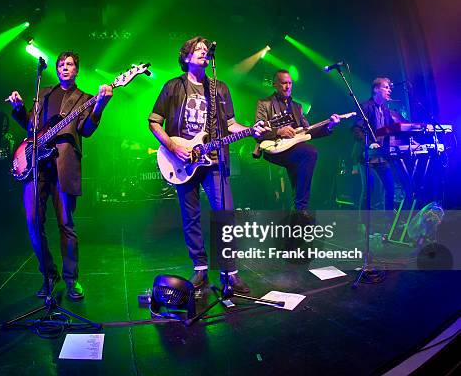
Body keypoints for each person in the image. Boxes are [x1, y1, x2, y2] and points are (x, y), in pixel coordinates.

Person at [148, 36, 269, 293]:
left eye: (206, 49)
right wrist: (173, 146)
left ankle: (230, 272)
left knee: (225, 214)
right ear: (186, 58)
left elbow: (231, 125)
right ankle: (200, 270)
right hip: (182, 160)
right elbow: (154, 122)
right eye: (198, 49)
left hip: (214, 159)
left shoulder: (220, 88)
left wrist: (251, 129)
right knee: (190, 217)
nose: (204, 52)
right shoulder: (172, 86)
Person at [7, 51, 112, 300]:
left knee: (66, 225)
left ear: (77, 70)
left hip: (64, 167)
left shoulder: (84, 98)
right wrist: (20, 109)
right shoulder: (44, 93)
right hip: (36, 167)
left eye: (70, 64)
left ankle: (71, 279)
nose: (65, 67)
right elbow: (33, 129)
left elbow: (86, 131)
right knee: (33, 222)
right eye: (61, 64)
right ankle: (49, 274)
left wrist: (100, 106)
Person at [254, 69, 341, 213]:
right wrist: (279, 131)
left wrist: (329, 125)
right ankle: (301, 207)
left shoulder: (297, 107)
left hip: (293, 149)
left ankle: (297, 212)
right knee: (310, 152)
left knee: (299, 169)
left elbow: (308, 130)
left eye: (290, 83)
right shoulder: (264, 103)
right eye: (283, 83)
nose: (287, 86)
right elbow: (258, 132)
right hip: (274, 149)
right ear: (275, 85)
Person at [351, 77, 411, 212]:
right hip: (366, 155)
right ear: (376, 89)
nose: (389, 90)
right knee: (369, 188)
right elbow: (356, 129)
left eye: (389, 88)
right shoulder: (365, 106)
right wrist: (369, 144)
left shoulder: (385, 110)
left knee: (390, 188)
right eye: (386, 87)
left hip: (382, 156)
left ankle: (388, 222)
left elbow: (392, 129)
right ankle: (363, 225)